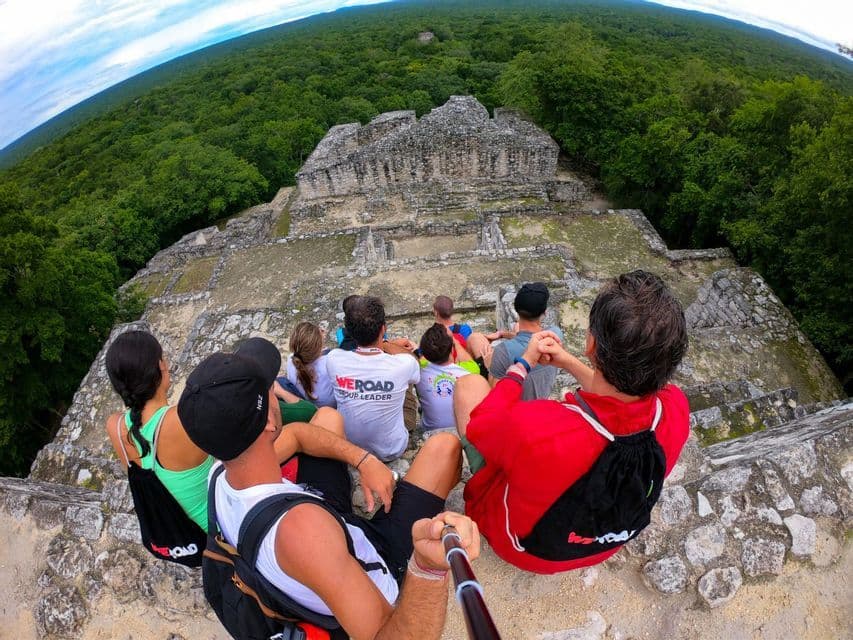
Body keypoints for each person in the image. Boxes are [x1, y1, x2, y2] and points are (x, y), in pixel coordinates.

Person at [177, 337, 481, 640]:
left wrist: (362, 459)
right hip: (361, 557)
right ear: (269, 420)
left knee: (327, 418)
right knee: (445, 447)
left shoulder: (219, 473)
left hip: (311, 523)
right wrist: (427, 568)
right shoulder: (305, 531)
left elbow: (296, 434)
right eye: (269, 389)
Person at [454, 270, 690, 574]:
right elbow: (622, 400)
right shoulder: (675, 409)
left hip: (526, 549)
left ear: (591, 343)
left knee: (468, 387)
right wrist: (566, 361)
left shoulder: (540, 429)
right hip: (603, 545)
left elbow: (481, 425)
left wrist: (521, 366)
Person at [104, 330, 213, 532]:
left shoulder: (115, 426)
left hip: (177, 533)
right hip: (216, 530)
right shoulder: (179, 420)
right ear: (160, 366)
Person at [326, 296, 420, 461]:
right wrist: (387, 343)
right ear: (383, 329)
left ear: (349, 331)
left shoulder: (334, 359)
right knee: (408, 384)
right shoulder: (403, 364)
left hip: (352, 447)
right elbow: (413, 362)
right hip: (392, 449)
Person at [488, 282, 564, 399]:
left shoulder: (502, 352)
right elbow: (527, 340)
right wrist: (503, 334)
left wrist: (489, 366)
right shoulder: (555, 335)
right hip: (543, 399)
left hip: (517, 412)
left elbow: (495, 397)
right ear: (544, 312)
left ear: (516, 308)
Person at [415, 323, 475, 434]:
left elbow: (421, 358)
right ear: (451, 349)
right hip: (461, 429)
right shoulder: (469, 371)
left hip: (431, 431)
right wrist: (455, 342)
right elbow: (469, 361)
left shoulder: (418, 371)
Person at [284, 321, 336, 408]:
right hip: (329, 406)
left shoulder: (291, 359)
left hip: (306, 402)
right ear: (319, 347)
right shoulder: (331, 361)